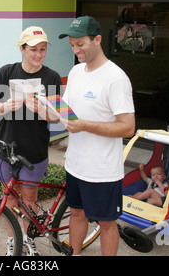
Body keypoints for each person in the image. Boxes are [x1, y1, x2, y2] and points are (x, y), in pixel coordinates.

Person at [58, 16, 135, 256]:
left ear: (97, 39)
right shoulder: (76, 71)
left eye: (80, 44)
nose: (75, 49)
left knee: (106, 223)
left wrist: (84, 125)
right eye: (72, 45)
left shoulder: (115, 78)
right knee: (77, 213)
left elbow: (127, 127)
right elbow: (66, 112)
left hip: (102, 171)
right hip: (75, 164)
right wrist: (46, 110)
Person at [0, 26, 62, 256]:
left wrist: (42, 110)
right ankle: (14, 241)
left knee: (30, 197)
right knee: (9, 196)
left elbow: (56, 116)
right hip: (5, 144)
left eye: (42, 49)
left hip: (34, 147)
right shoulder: (6, 72)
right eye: (33, 49)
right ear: (21, 49)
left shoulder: (51, 77)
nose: (38, 54)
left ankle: (29, 240)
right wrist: (4, 106)